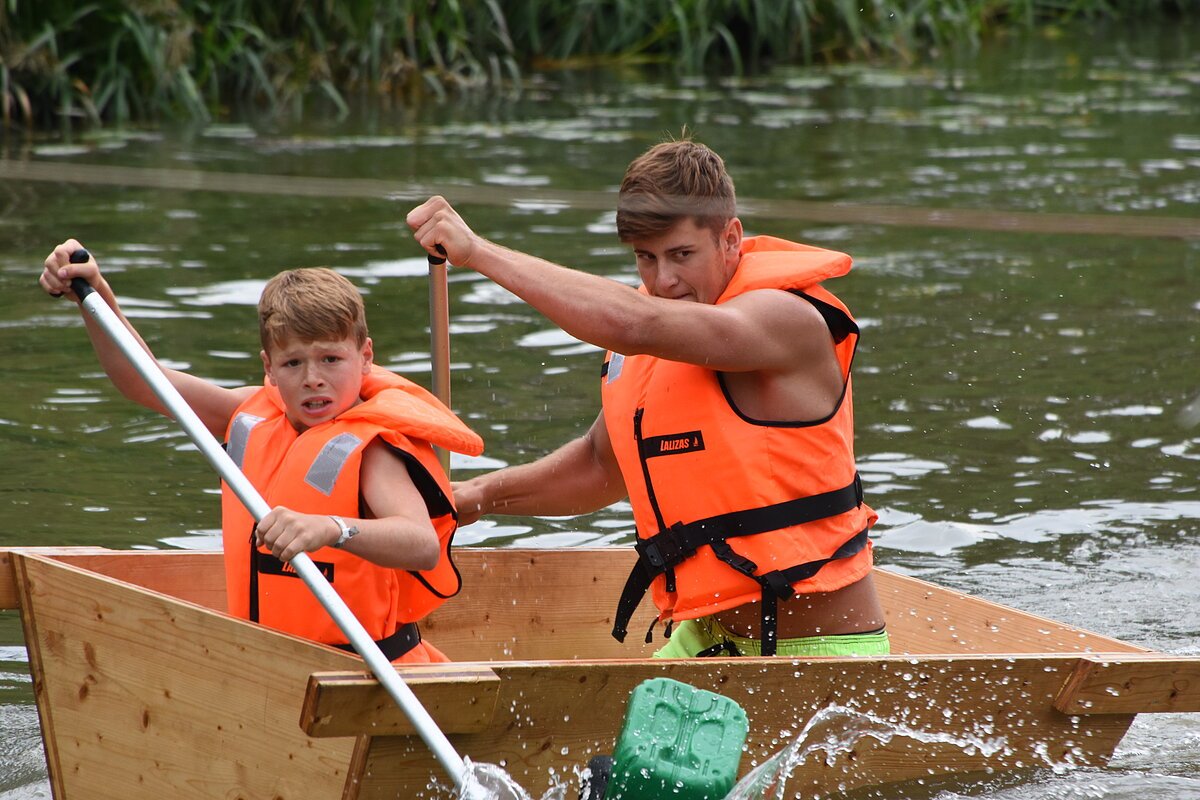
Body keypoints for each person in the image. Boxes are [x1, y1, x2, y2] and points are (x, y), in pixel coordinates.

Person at [406, 136, 889, 658]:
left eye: (682, 255)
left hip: (818, 649)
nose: (664, 281)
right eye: (646, 258)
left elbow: (634, 324)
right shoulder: (652, 330)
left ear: (730, 238)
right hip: (708, 637)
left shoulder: (784, 318)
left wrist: (477, 252)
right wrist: (475, 496)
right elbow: (599, 466)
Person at [39, 243, 484, 663]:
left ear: (365, 356)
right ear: (269, 367)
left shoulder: (373, 450)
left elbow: (421, 544)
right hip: (268, 666)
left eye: (331, 359)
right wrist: (95, 294)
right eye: (293, 363)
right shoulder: (249, 414)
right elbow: (143, 380)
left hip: (364, 673)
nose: (312, 378)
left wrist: (332, 528)